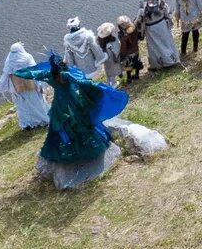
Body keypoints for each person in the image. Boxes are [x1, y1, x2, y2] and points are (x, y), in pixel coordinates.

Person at [12, 52, 128, 188]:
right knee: (80, 122)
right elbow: (81, 81)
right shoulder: (66, 74)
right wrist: (98, 86)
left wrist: (18, 71)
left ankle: (69, 147)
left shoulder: (48, 74)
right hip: (73, 101)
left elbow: (31, 74)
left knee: (62, 126)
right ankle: (85, 147)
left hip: (59, 105)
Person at [0, 42, 50, 129]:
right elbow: (35, 71)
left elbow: (5, 76)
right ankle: (43, 120)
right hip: (31, 85)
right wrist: (41, 83)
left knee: (23, 107)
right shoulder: (27, 57)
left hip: (18, 88)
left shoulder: (9, 61)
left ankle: (27, 125)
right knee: (37, 103)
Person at [140, 0, 180, 69]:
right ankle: (172, 59)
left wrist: (141, 31)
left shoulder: (143, 8)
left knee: (155, 46)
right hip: (162, 26)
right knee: (166, 42)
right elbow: (167, 13)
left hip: (151, 28)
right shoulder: (161, 3)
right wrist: (169, 22)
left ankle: (159, 64)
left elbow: (140, 19)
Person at [95, 22, 122, 87]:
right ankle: (113, 84)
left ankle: (108, 82)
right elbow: (117, 50)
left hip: (105, 58)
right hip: (112, 58)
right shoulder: (113, 41)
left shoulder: (100, 41)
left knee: (107, 70)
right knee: (112, 70)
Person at [116, 16, 143, 82]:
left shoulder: (123, 36)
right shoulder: (134, 29)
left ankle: (129, 78)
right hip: (136, 50)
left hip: (128, 53)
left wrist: (122, 55)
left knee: (128, 66)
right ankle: (137, 75)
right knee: (137, 62)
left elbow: (123, 47)